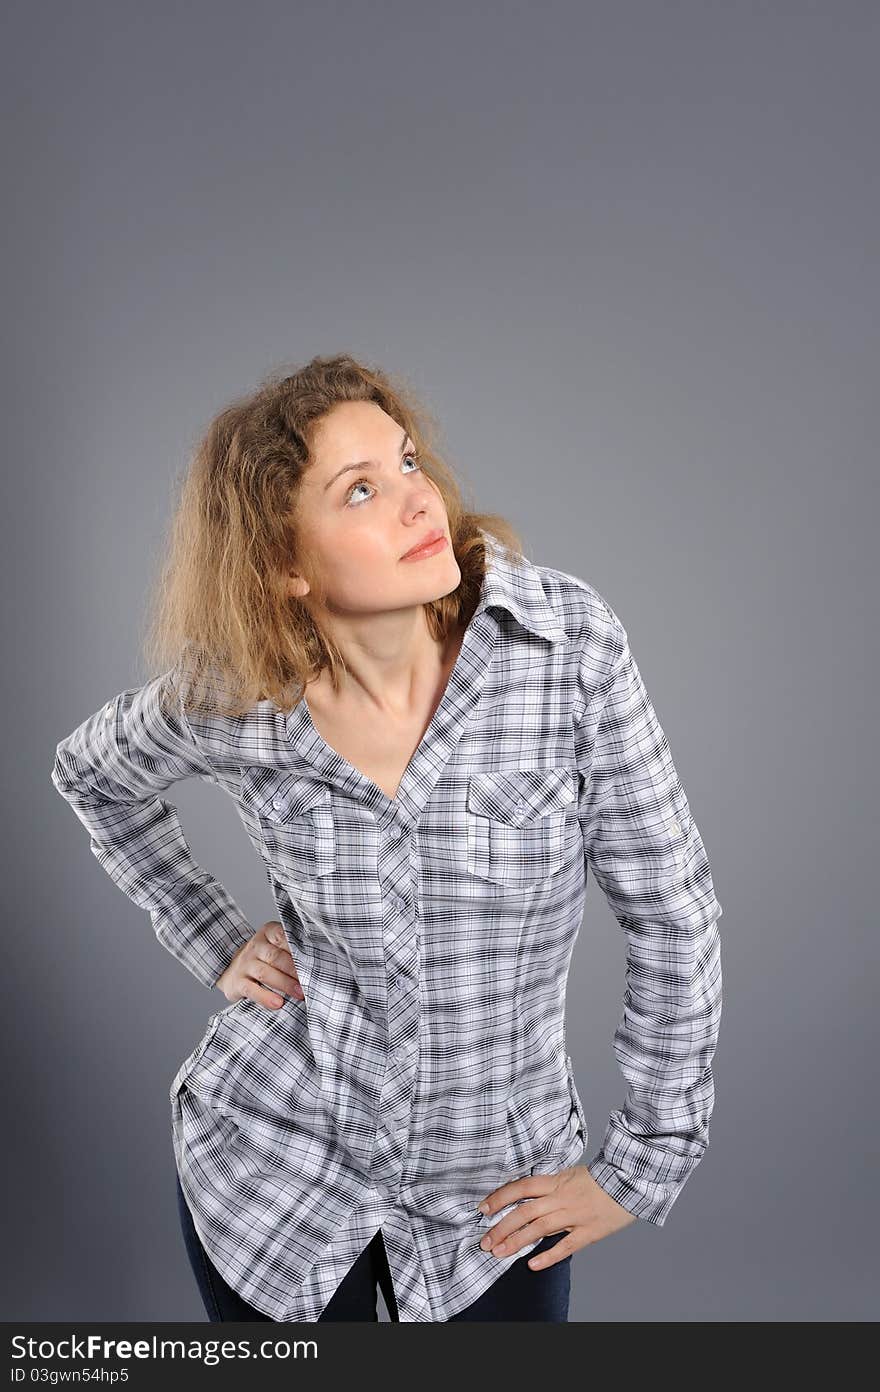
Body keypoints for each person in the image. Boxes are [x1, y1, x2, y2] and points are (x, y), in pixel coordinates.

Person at [51, 352, 724, 1322]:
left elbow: (671, 913)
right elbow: (92, 775)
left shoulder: (565, 648)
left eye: (407, 463)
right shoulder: (237, 698)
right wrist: (210, 936)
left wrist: (641, 1165)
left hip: (486, 1209)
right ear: (283, 564)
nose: (419, 501)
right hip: (273, 1185)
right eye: (360, 489)